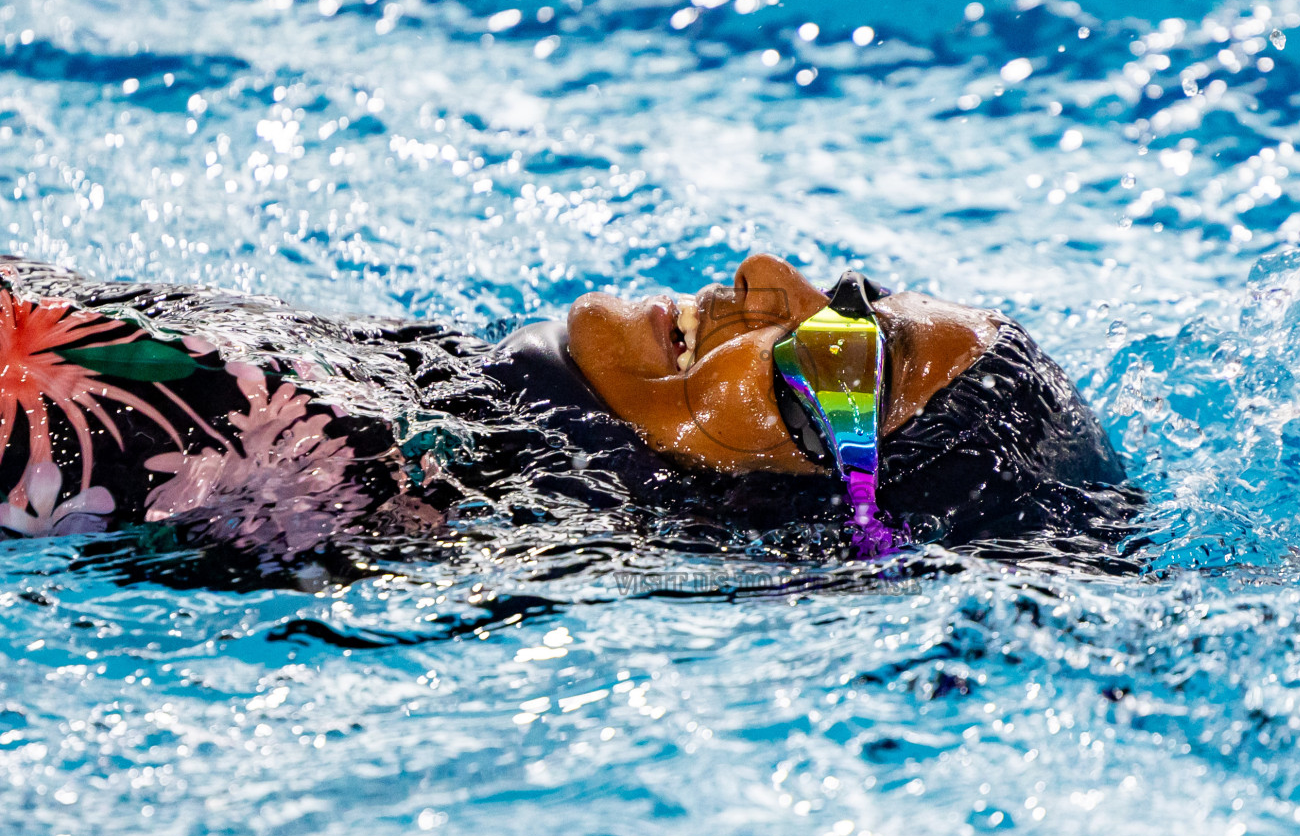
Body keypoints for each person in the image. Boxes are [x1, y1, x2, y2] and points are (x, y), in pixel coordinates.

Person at [0, 253, 1135, 566]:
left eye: (838, 351)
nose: (761, 276)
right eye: (853, 288)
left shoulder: (329, 447)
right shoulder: (415, 409)